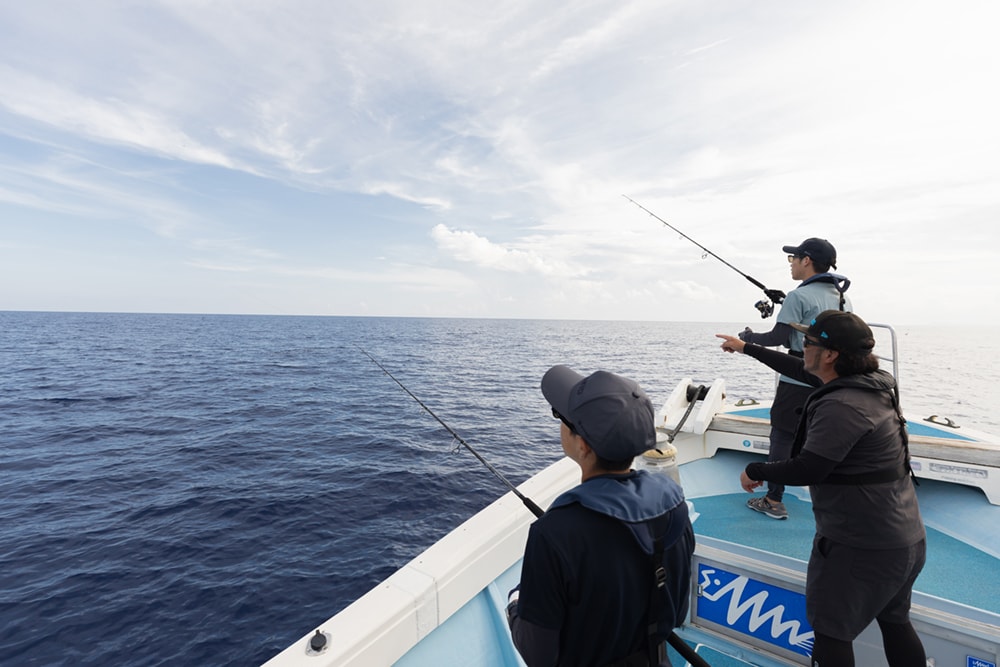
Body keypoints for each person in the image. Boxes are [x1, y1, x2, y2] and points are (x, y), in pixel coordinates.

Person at [716, 311, 926, 667]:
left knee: (832, 635)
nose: (801, 347)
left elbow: (810, 467)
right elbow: (797, 369)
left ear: (830, 355)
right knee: (895, 621)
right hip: (903, 539)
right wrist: (747, 347)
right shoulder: (868, 385)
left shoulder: (841, 405)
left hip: (859, 546)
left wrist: (757, 468)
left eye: (808, 342)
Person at [507, 365, 695, 667]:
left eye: (562, 418)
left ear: (582, 445)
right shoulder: (674, 504)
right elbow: (679, 610)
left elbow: (538, 655)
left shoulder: (553, 533)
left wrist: (515, 605)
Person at [735, 237, 852, 520]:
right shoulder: (841, 297)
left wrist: (747, 338)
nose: (791, 264)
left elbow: (778, 337)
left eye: (793, 259)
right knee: (817, 434)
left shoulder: (799, 296)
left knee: (783, 436)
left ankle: (773, 499)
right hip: (828, 378)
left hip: (798, 377)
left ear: (806, 260)